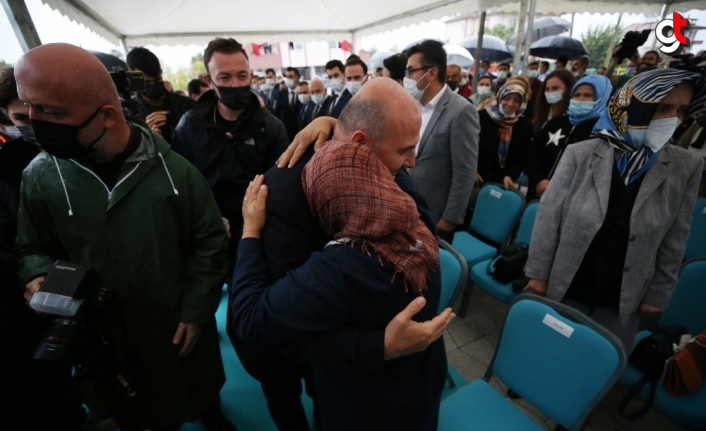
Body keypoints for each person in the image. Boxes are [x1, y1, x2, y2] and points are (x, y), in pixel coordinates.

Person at [15, 43, 234, 431]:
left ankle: (211, 413)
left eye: (52, 112)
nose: (34, 122)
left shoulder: (176, 173)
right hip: (101, 334)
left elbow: (210, 241)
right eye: (29, 107)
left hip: (173, 322)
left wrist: (197, 309)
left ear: (107, 116)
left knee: (194, 388)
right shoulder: (40, 176)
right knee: (130, 404)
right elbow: (33, 245)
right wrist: (36, 275)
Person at [231, 79, 446, 431]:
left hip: (369, 400)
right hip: (411, 386)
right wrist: (336, 127)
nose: (411, 162)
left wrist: (250, 231)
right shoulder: (413, 215)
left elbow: (252, 316)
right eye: (404, 150)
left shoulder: (342, 264)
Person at [524, 69, 706, 350]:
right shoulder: (582, 153)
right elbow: (550, 216)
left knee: (598, 358)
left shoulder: (686, 166)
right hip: (570, 277)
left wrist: (658, 294)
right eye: (663, 108)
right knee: (550, 348)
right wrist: (538, 273)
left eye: (681, 111)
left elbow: (676, 236)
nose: (673, 119)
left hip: (623, 291)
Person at [0, 66, 89, 431]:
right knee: (41, 377)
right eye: (21, 117)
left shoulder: (82, 150)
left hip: (90, 275)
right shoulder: (7, 167)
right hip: (29, 296)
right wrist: (33, 274)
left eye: (43, 112)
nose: (33, 125)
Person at [172, 37, 288, 283]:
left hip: (256, 236)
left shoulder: (271, 127)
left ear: (251, 76)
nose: (235, 84)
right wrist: (211, 217)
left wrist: (252, 226)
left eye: (242, 76)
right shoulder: (190, 125)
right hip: (204, 235)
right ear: (209, 81)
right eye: (225, 77)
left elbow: (280, 187)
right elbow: (180, 184)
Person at [402, 39, 480, 242]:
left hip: (436, 215)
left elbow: (465, 172)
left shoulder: (461, 111)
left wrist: (450, 218)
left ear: (432, 73)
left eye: (411, 71)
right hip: (409, 208)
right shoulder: (413, 106)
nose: (407, 78)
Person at [527, 75, 612, 199]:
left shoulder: (604, 131)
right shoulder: (557, 122)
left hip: (572, 200)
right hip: (539, 192)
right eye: (577, 95)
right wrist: (539, 179)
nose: (581, 99)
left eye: (588, 95)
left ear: (602, 97)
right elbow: (532, 151)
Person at [126, 47, 196, 143]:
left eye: (157, 80)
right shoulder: (131, 115)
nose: (153, 85)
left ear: (161, 72)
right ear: (134, 80)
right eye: (146, 82)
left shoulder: (186, 104)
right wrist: (146, 136)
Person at [475, 79, 533, 194]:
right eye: (506, 98)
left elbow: (522, 156)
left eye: (517, 101)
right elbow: (467, 148)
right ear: (499, 98)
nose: (510, 104)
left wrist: (510, 175)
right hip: (475, 179)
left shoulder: (524, 125)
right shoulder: (481, 117)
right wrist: (470, 170)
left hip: (502, 184)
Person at [678, 112, 706, 197]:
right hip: (692, 167)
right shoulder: (698, 124)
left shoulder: (699, 123)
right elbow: (681, 146)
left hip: (691, 166)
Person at [274, 67, 303, 141]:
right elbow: (276, 112)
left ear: (297, 78)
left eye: (290, 76)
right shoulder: (281, 94)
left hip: (302, 130)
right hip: (286, 132)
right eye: (286, 77)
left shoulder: (304, 93)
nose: (287, 79)